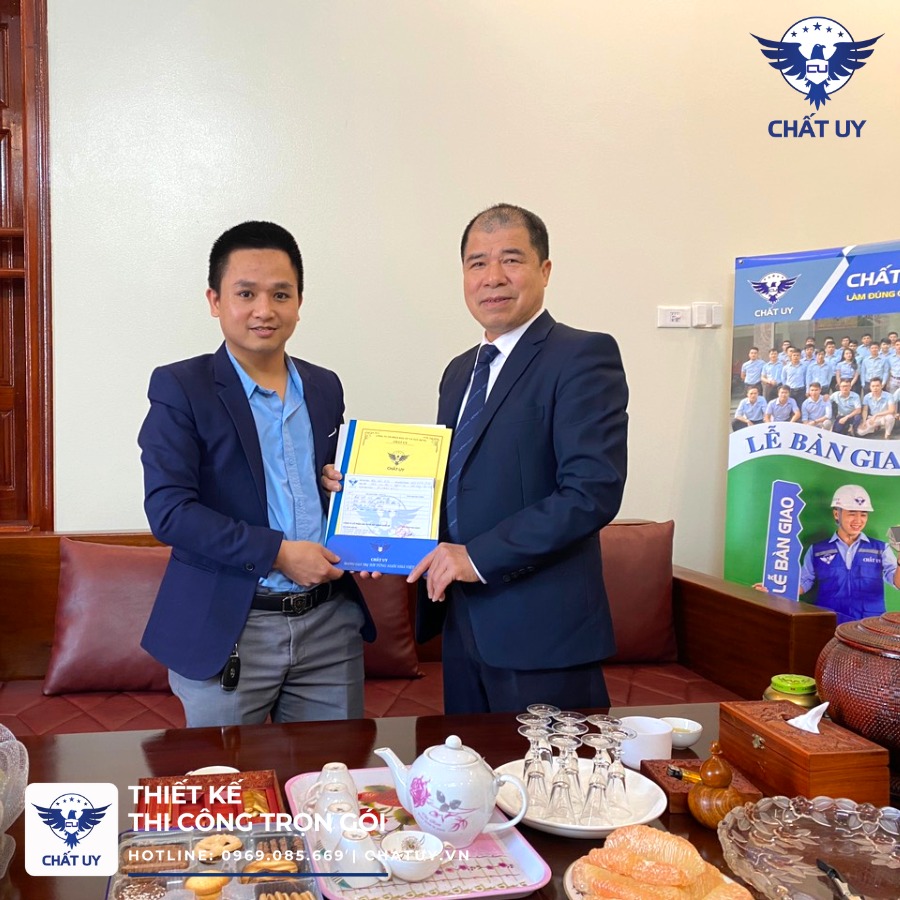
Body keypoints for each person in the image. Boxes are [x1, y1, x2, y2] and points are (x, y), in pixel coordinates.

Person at [138, 221, 374, 727]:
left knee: (332, 773)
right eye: (246, 293)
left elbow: (315, 484)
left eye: (280, 294)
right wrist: (279, 553)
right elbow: (169, 511)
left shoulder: (325, 385)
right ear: (215, 300)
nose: (264, 310)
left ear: (299, 302)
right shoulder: (181, 387)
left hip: (329, 624)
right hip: (231, 626)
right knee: (227, 777)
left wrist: (349, 503)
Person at [407, 203, 628, 714]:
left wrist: (475, 557)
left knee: (554, 769)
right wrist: (365, 507)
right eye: (477, 263)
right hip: (462, 624)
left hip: (544, 634)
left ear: (544, 270)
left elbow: (590, 492)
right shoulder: (459, 372)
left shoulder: (582, 355)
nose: (493, 277)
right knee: (470, 768)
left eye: (511, 259)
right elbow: (452, 481)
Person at [799, 485, 899, 623]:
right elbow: (804, 582)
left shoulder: (881, 549)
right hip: (829, 623)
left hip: (869, 625)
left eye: (863, 514)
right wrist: (776, 588)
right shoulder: (817, 550)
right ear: (836, 514)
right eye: (852, 513)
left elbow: (897, 583)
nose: (858, 520)